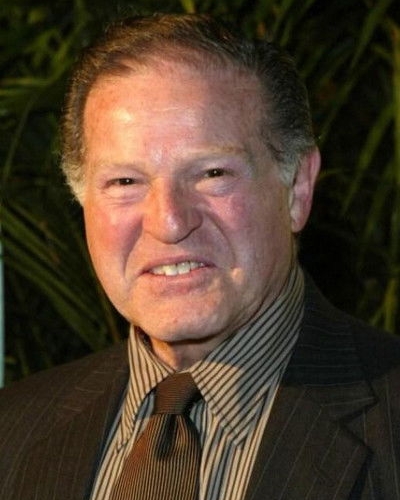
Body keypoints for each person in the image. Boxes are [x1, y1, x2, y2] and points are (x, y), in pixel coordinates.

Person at [0, 12, 399, 500]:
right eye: (124, 181)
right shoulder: (12, 432)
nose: (168, 222)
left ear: (297, 187)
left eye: (212, 174)